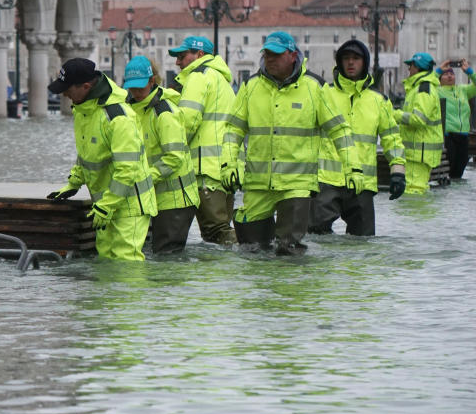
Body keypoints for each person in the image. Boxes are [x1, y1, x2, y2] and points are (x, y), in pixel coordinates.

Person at [223, 31, 361, 255]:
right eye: (267, 54)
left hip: (297, 184)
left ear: (293, 55)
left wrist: (353, 169)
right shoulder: (250, 87)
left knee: (289, 250)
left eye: (276, 55)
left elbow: (340, 131)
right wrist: (228, 165)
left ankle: (292, 287)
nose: (270, 59)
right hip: (258, 183)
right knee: (251, 250)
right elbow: (232, 130)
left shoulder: (314, 88)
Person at [46, 58, 157, 261]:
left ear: (86, 86)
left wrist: (107, 205)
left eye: (68, 89)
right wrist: (73, 183)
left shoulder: (118, 117)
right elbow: (87, 154)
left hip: (129, 205)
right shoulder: (83, 110)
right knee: (106, 261)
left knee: (126, 263)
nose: (64, 94)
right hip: (104, 204)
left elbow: (127, 169)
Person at [309, 39, 406, 236]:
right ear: (339, 62)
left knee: (363, 244)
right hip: (327, 182)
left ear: (365, 63)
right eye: (346, 59)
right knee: (314, 239)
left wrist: (398, 172)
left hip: (362, 184)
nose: (351, 63)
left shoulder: (378, 101)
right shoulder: (323, 94)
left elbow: (392, 139)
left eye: (356, 58)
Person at [123, 55, 199, 254]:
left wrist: (144, 178)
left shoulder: (164, 113)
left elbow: (174, 157)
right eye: (132, 87)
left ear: (152, 81)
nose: (136, 92)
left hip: (176, 199)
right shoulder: (130, 110)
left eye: (141, 86)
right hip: (151, 195)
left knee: (166, 256)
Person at [169, 36, 238, 245]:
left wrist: (169, 153)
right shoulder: (222, 81)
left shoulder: (198, 77)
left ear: (200, 55)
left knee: (216, 233)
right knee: (222, 229)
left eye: (182, 56)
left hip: (204, 170)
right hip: (223, 170)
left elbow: (187, 123)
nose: (177, 62)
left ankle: (251, 263)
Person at [393, 52, 443, 194]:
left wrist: (394, 114)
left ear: (418, 67)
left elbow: (419, 119)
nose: (409, 69)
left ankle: (417, 216)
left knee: (414, 191)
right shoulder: (419, 88)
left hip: (419, 154)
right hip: (417, 153)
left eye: (411, 65)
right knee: (414, 192)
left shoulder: (423, 89)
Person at [435, 58, 476, 178]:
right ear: (440, 79)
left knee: (460, 171)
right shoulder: (437, 91)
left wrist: (469, 71)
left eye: (451, 73)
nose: (449, 76)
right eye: (445, 74)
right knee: (450, 170)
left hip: (463, 135)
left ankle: (457, 196)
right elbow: (425, 85)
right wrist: (438, 70)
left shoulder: (463, 90)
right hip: (448, 136)